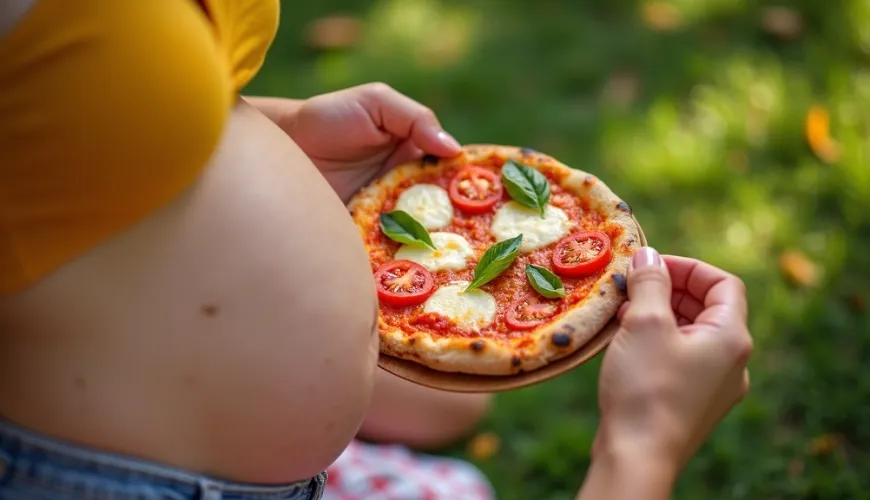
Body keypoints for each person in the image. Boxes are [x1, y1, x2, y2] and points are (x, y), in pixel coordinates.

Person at [0, 2, 751, 499]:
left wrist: (270, 128)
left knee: (451, 409)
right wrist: (641, 445)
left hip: (191, 383)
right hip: (103, 470)